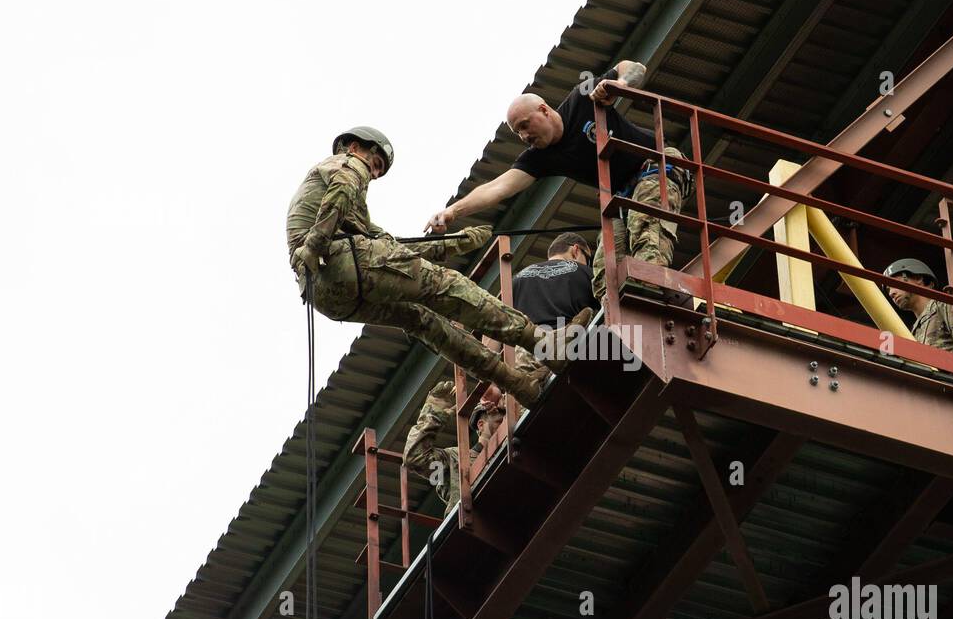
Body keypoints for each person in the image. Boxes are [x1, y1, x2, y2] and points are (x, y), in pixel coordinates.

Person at [286, 126, 579, 407]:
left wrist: (457, 243)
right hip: (339, 258)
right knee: (448, 286)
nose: (373, 174)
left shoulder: (344, 214)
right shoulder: (346, 163)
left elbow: (392, 252)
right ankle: (542, 342)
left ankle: (515, 383)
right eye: (374, 164)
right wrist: (315, 243)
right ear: (354, 147)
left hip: (326, 294)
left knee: (421, 320)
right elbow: (345, 187)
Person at [424, 62, 691, 300]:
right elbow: (498, 187)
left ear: (544, 110)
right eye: (517, 132)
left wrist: (617, 85)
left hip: (656, 165)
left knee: (646, 230)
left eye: (525, 125)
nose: (524, 135)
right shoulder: (540, 158)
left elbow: (634, 68)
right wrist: (452, 211)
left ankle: (652, 294)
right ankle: (622, 316)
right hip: (623, 197)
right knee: (604, 270)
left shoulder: (581, 99)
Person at [403, 380, 504, 514]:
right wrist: (434, 415)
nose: (504, 426)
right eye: (499, 422)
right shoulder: (455, 459)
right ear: (481, 425)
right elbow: (414, 458)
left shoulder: (513, 447)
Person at [510, 232, 599, 378]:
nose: (587, 263)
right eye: (587, 259)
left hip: (526, 354)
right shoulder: (587, 273)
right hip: (567, 346)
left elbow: (495, 328)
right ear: (576, 250)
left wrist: (489, 382)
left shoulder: (516, 280)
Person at [882, 258, 953, 359]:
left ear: (918, 278)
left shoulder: (947, 305)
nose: (891, 293)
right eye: (888, 289)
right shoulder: (913, 332)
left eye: (894, 283)